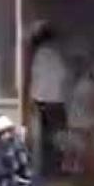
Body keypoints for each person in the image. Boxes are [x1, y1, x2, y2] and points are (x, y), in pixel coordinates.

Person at [29, 24, 69, 177]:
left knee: (47, 139)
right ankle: (57, 168)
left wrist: (33, 99)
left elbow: (36, 80)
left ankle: (49, 170)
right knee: (57, 138)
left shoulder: (40, 55)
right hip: (57, 102)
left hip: (43, 102)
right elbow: (63, 75)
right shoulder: (57, 54)